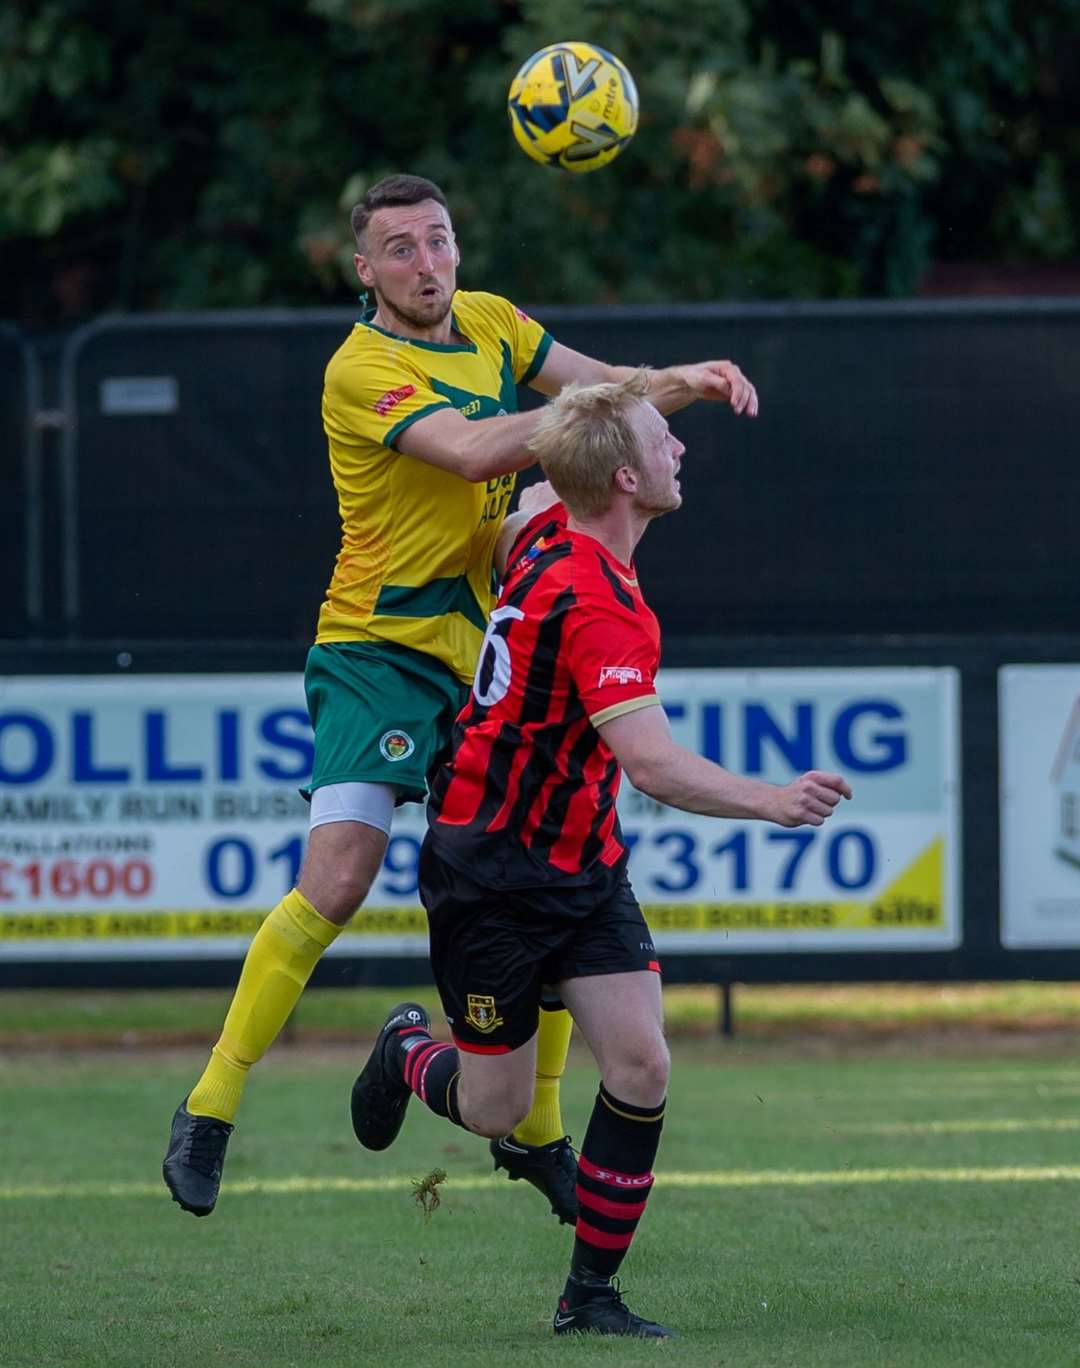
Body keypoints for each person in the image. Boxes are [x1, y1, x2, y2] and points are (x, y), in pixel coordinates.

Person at [162, 174, 761, 1222]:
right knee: (341, 878)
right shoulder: (362, 366)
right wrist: (608, 408)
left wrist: (683, 380)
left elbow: (604, 390)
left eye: (439, 240)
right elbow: (484, 446)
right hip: (378, 645)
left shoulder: (489, 322)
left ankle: (532, 1134)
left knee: (542, 855)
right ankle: (212, 1103)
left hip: (484, 637)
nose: (427, 264)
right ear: (365, 270)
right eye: (400, 248)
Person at [350, 372, 853, 1338]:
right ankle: (407, 1050)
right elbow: (654, 765)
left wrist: (646, 395)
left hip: (580, 862)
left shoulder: (548, 523)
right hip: (488, 871)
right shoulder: (595, 600)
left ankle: (589, 1300)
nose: (680, 449)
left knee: (641, 1063)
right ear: (623, 479)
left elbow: (549, 469)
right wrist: (774, 800)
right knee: (494, 1110)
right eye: (664, 440)